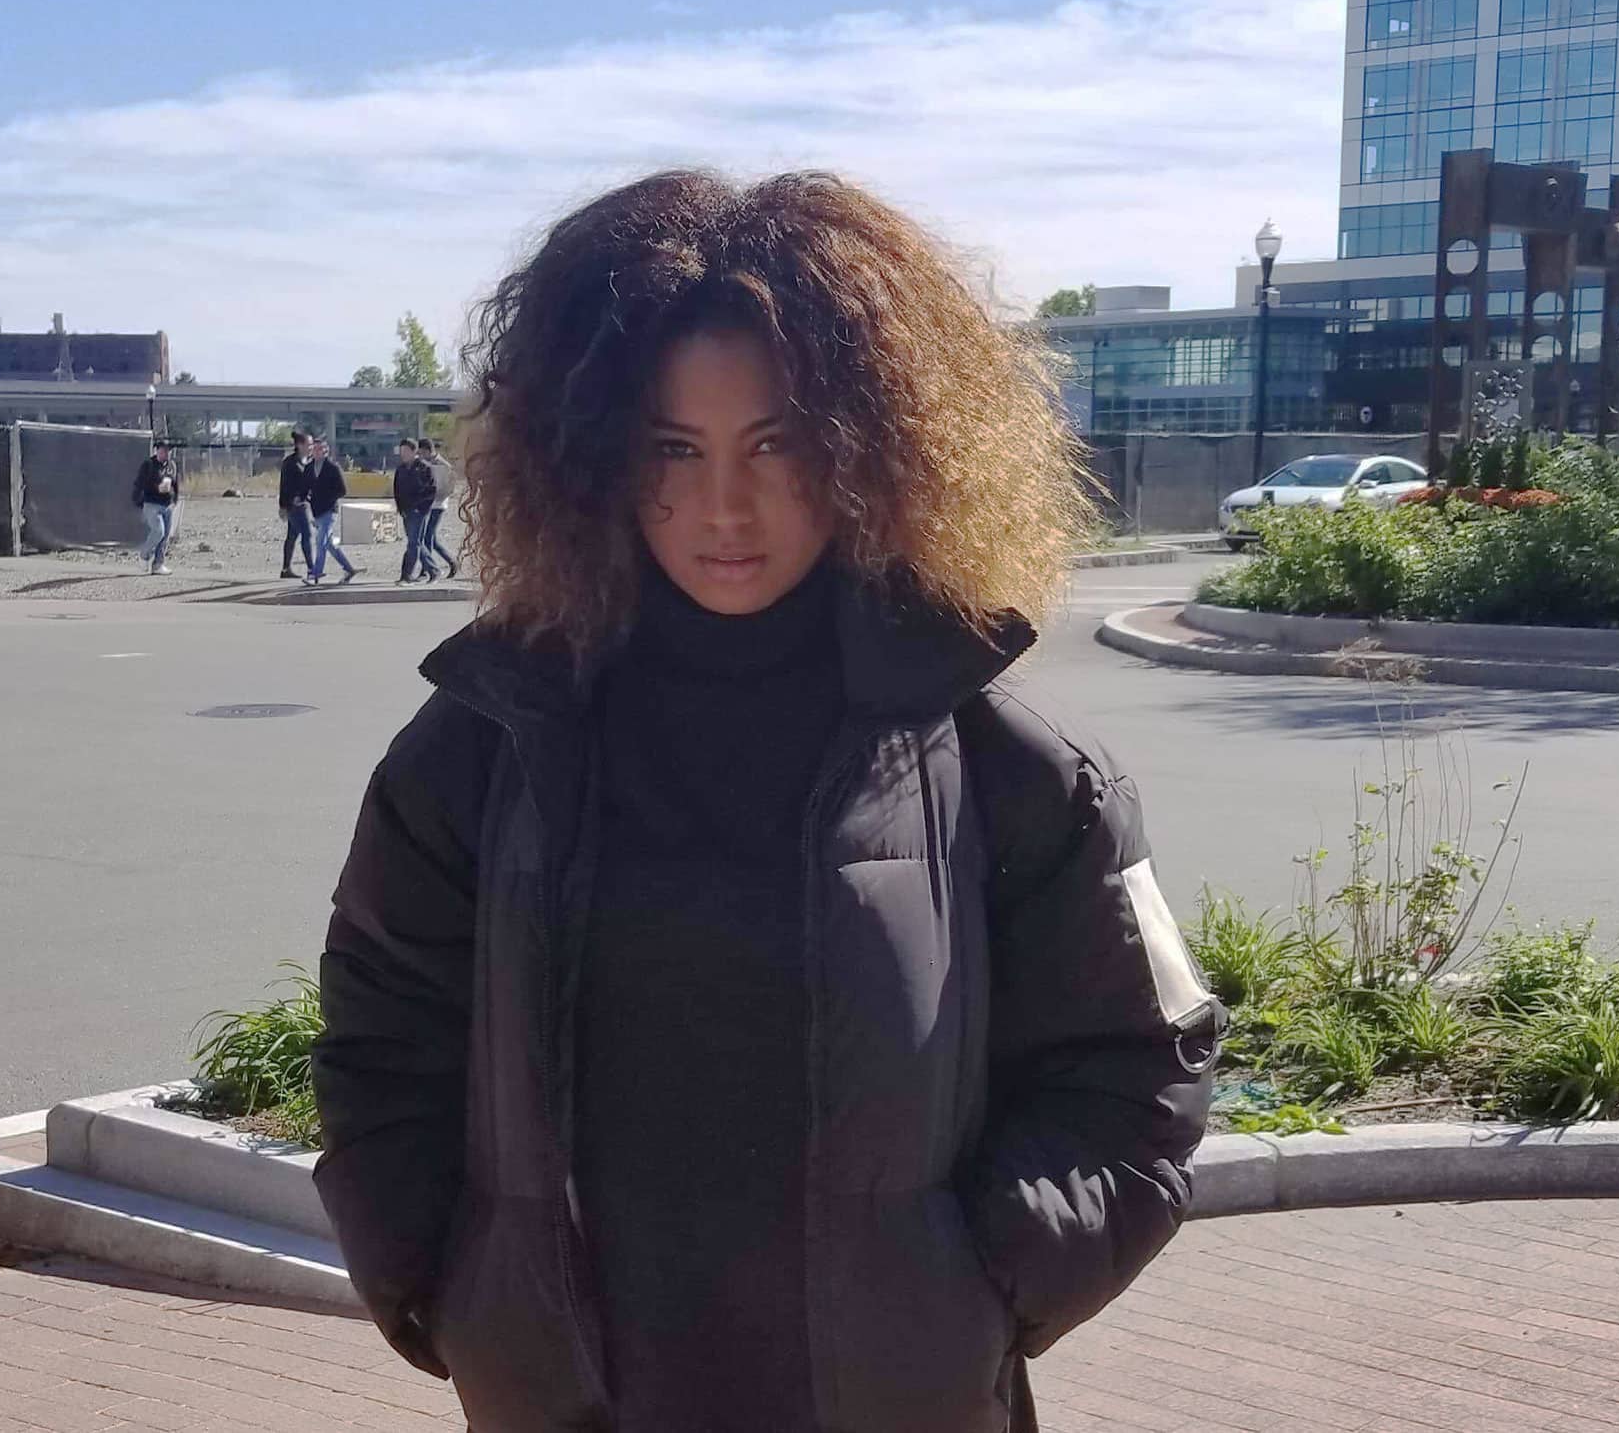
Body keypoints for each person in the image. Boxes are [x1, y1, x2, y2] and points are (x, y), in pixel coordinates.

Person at [310, 170, 1221, 1433]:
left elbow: (1137, 1066)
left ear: (867, 448)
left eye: (774, 445)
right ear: (589, 461)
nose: (721, 508)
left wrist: (976, 1283)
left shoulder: (1002, 762)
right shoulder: (481, 750)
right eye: (670, 451)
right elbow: (379, 1040)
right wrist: (437, 1281)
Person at [304, 438, 359, 586]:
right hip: (317, 512)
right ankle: (349, 569)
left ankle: (316, 572)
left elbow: (342, 490)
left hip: (329, 511)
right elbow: (305, 488)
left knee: (320, 541)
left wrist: (327, 498)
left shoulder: (333, 468)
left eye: (319, 448)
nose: (315, 451)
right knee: (328, 544)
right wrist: (302, 498)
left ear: (325, 450)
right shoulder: (309, 468)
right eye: (314, 448)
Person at [392, 438, 438, 585]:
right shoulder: (400, 470)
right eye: (401, 452)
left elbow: (432, 491)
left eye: (406, 451)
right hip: (406, 511)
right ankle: (434, 570)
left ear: (414, 451)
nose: (403, 455)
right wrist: (400, 509)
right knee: (416, 543)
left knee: (413, 544)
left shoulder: (424, 468)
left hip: (419, 512)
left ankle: (406, 575)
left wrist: (421, 508)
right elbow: (397, 491)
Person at [133, 438, 181, 575]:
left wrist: (175, 498)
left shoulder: (171, 465)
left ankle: (158, 564)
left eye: (168, 451)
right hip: (151, 503)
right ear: (157, 451)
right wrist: (155, 487)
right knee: (158, 531)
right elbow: (139, 483)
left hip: (167, 504)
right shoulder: (149, 465)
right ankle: (144, 555)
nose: (166, 453)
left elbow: (175, 483)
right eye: (163, 450)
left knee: (165, 536)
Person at [416, 435, 460, 580]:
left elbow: (449, 486)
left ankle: (428, 569)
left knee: (428, 537)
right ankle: (448, 562)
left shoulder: (443, 465)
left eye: (421, 452)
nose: (420, 455)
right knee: (428, 538)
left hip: (438, 505)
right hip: (426, 503)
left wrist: (438, 496)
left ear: (428, 450)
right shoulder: (422, 463)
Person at [278, 430, 316, 577]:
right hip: (295, 506)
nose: (311, 447)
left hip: (305, 503)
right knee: (307, 534)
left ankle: (286, 569)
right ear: (300, 445)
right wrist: (282, 506)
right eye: (309, 444)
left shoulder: (309, 462)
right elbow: (284, 485)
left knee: (292, 536)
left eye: (312, 444)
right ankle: (312, 569)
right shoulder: (290, 463)